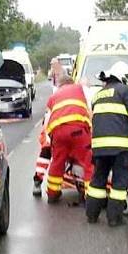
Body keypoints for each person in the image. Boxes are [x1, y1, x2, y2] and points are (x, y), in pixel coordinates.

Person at [86, 62, 128, 226]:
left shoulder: (97, 95)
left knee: (98, 180)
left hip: (99, 146)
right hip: (120, 146)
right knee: (119, 181)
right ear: (124, 78)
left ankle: (91, 215)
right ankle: (114, 218)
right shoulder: (126, 90)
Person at [43, 72, 93, 203]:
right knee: (88, 161)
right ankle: (91, 195)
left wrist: (49, 138)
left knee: (57, 162)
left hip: (58, 132)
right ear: (72, 82)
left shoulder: (54, 96)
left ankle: (52, 194)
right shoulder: (80, 88)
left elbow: (47, 118)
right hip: (78, 130)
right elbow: (90, 110)